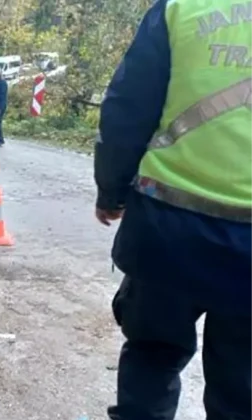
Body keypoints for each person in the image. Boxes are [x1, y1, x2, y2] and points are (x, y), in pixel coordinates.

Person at [95, 0, 252, 419]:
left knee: (151, 358)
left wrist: (111, 191)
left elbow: (128, 106)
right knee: (242, 388)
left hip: (169, 225)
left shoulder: (181, 8)